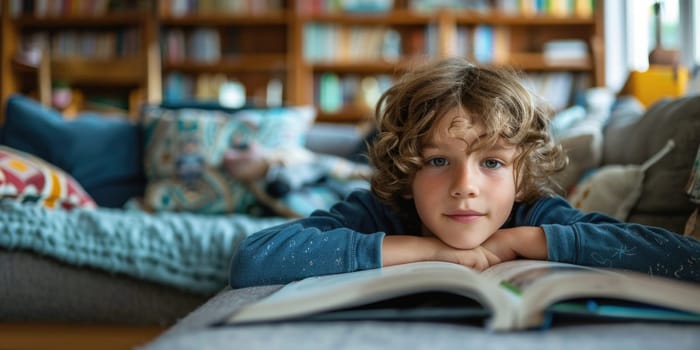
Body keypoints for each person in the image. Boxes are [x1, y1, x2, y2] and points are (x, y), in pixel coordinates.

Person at [229, 57, 700, 288]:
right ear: (407, 172)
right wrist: (425, 249)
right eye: (437, 161)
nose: (464, 187)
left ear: (520, 174)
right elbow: (253, 259)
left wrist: (525, 241)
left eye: (492, 162)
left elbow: (687, 260)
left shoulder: (535, 215)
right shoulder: (382, 212)